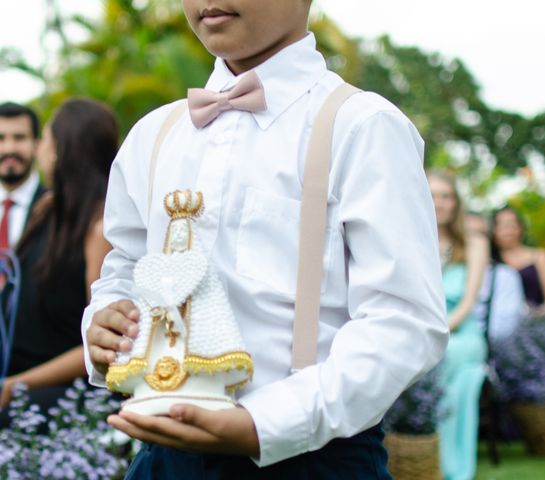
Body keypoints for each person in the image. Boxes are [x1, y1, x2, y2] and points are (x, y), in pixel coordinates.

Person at [83, 0, 449, 478]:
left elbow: (404, 318)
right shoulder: (154, 134)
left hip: (313, 459)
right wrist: (106, 324)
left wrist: (267, 423)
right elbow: (127, 266)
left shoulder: (361, 127)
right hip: (161, 460)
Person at [0, 98, 117, 419]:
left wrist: (14, 386)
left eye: (45, 139)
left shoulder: (100, 227)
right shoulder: (49, 209)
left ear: (60, 150)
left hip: (54, 394)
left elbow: (102, 342)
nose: (38, 150)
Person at [430, 172, 488, 480]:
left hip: (461, 333)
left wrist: (439, 333)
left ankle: (452, 467)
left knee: (448, 358)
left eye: (446, 196)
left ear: (456, 202)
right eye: (433, 195)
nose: (439, 203)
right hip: (421, 328)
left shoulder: (474, 243)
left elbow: (469, 301)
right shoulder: (414, 239)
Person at [491, 207, 545, 317]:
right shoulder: (490, 262)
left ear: (520, 228)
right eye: (501, 225)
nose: (507, 230)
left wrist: (536, 315)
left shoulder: (540, 256)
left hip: (537, 324)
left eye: (511, 224)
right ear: (493, 231)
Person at [466, 212, 525, 341]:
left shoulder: (505, 276)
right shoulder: (440, 272)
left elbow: (504, 327)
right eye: (467, 234)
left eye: (480, 234)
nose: (473, 241)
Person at [0, 102, 48, 250]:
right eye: (0, 138)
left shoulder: (56, 209)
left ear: (37, 144)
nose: (9, 148)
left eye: (19, 137)